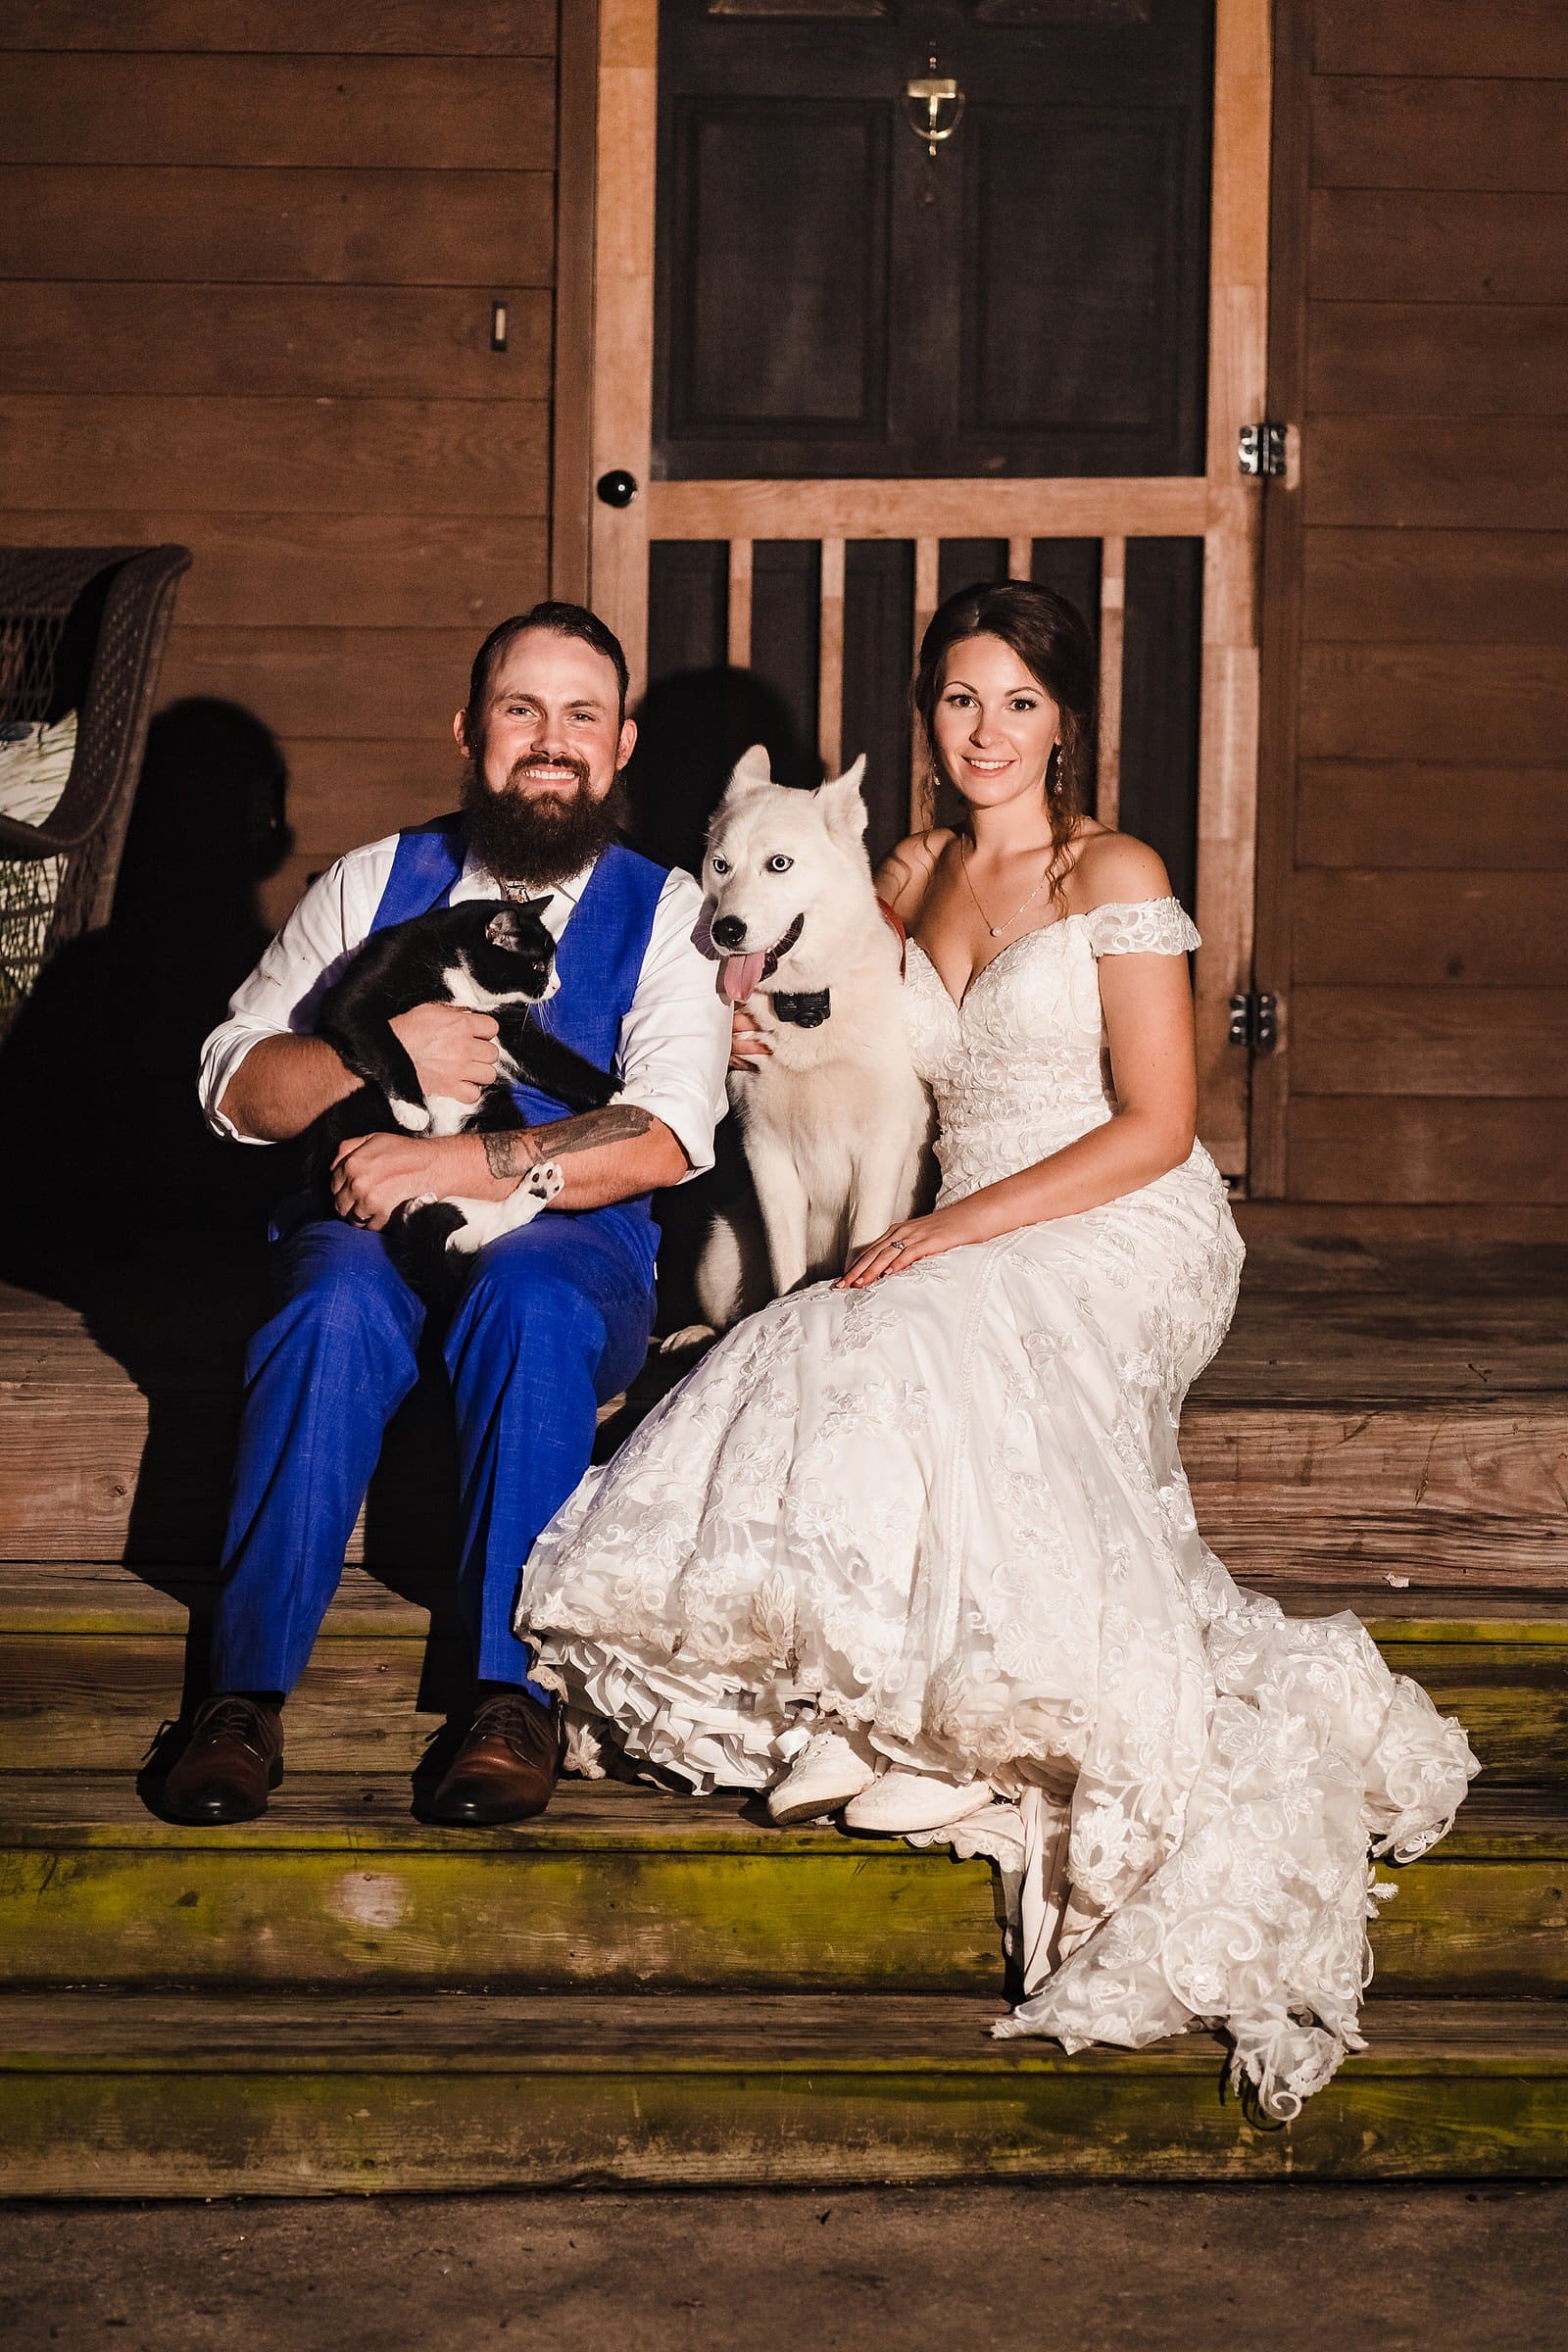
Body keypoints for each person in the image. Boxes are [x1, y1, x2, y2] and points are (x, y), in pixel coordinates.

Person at [515, 580, 1477, 2119]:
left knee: (915, 1316)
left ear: (1062, 719)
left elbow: (1163, 1126)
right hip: (960, 1229)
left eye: (1017, 702)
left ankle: (989, 1722)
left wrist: (959, 1232)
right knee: (814, 1334)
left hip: (1123, 1218)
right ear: (928, 716)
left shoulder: (1117, 872)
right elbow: (847, 1030)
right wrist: (756, 1035)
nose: (987, 731)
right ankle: (880, 1713)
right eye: (960, 700)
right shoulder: (916, 879)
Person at [160, 603, 730, 1828]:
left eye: (582, 715)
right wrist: (377, 1061)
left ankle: (505, 1698)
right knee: (323, 1307)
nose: (551, 741)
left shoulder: (669, 909)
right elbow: (233, 1089)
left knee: (527, 1304)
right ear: (468, 730)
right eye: (522, 710)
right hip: (361, 1220)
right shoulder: (373, 881)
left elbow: (667, 1131)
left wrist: (468, 1162)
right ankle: (240, 1698)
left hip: (566, 1237)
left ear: (621, 744)